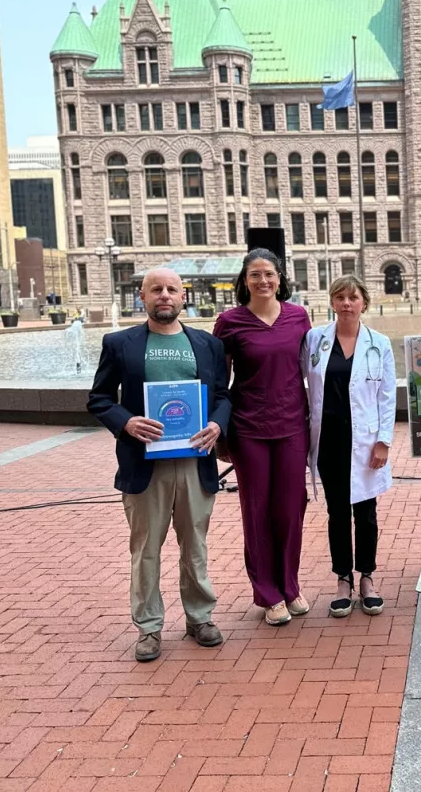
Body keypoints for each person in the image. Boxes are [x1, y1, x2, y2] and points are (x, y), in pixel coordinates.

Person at [88, 267, 231, 662]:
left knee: (195, 547)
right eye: (156, 290)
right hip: (144, 462)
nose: (164, 295)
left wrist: (218, 423)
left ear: (183, 297)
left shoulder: (206, 345)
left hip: (194, 461)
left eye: (171, 289)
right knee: (146, 549)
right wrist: (126, 422)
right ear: (143, 297)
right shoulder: (121, 344)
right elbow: (99, 398)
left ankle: (199, 617)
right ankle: (148, 628)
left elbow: (222, 395)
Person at [213, 248, 312, 626]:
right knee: (257, 510)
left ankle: (290, 585)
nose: (263, 281)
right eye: (255, 275)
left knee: (290, 509)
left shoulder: (298, 317)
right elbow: (218, 382)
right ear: (244, 281)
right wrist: (220, 431)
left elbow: (310, 371)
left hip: (291, 426)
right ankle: (268, 594)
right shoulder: (229, 322)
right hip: (249, 428)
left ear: (280, 278)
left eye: (269, 274)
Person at [302, 276, 396, 617]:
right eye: (339, 297)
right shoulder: (315, 340)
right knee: (337, 512)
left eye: (352, 297)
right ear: (331, 302)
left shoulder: (379, 343)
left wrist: (384, 441)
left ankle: (367, 577)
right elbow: (303, 385)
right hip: (327, 439)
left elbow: (387, 396)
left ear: (363, 303)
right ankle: (343, 578)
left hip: (366, 440)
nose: (346, 303)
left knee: (366, 513)